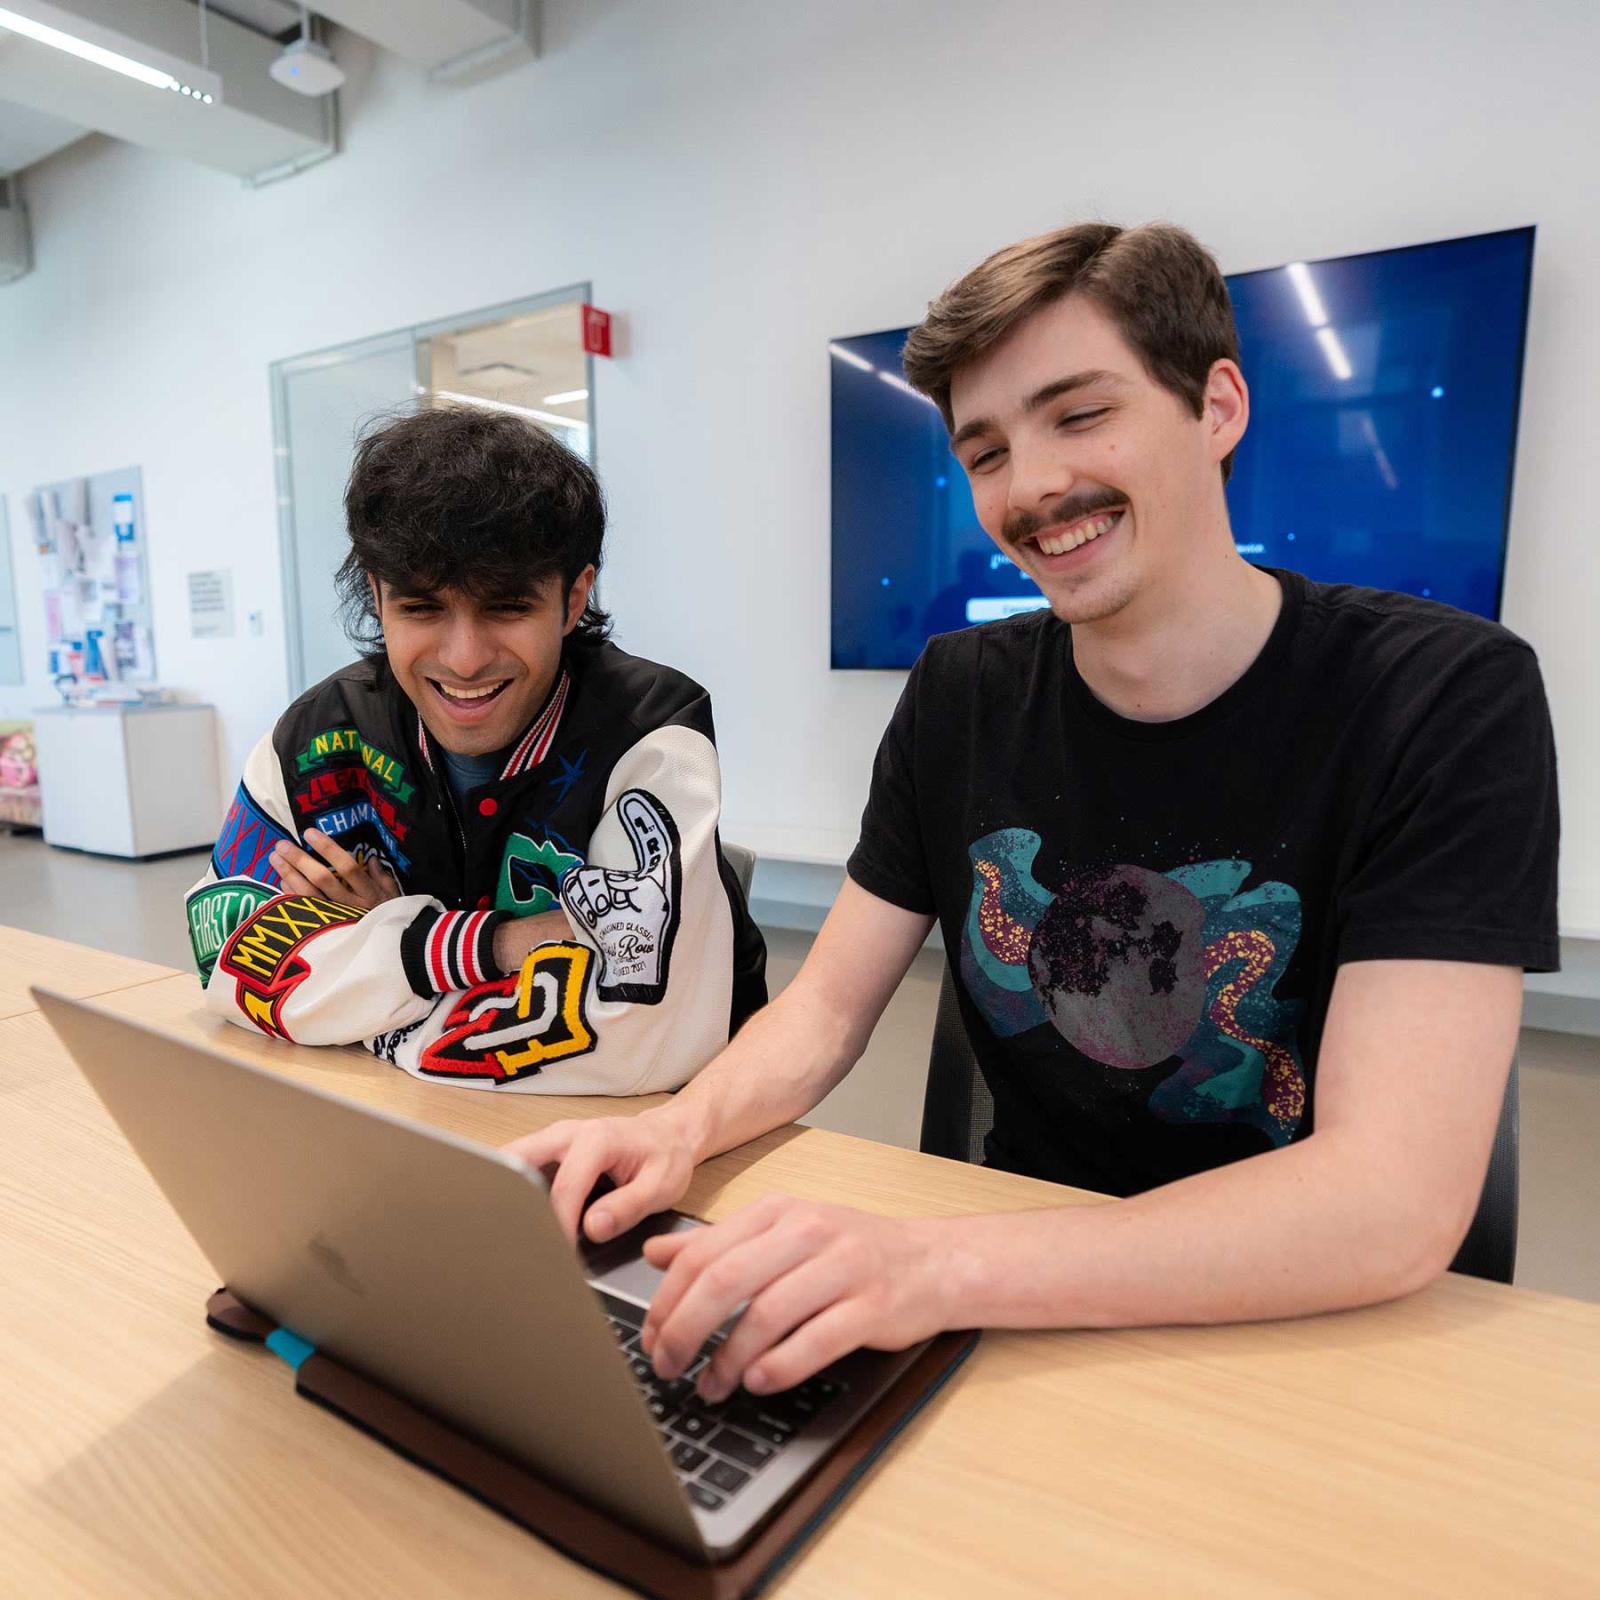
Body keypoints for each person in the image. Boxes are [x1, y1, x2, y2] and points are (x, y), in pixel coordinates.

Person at [511, 221, 1559, 1403]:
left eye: (1079, 413)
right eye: (986, 449)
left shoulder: (1443, 693)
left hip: (1311, 1337)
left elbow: (1388, 1202)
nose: (1032, 488)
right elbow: (823, 1012)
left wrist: (932, 1262)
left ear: (1217, 405)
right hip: (1019, 1314)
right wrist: (679, 1129)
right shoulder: (961, 690)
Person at [185, 405, 766, 1093]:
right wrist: (485, 947)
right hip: (394, 1123)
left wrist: (362, 964)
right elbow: (224, 958)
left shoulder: (653, 733)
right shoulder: (315, 737)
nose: (464, 660)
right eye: (422, 608)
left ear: (574, 597)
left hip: (647, 1140)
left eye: (507, 606)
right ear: (376, 596)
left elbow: (632, 1037)